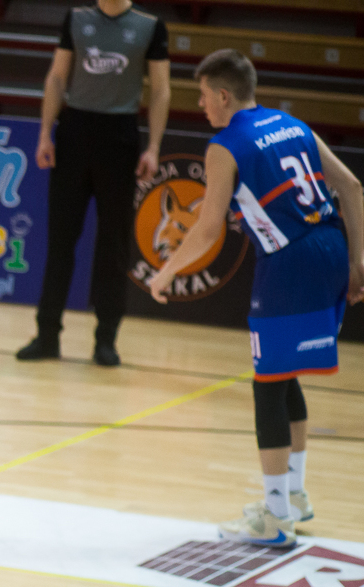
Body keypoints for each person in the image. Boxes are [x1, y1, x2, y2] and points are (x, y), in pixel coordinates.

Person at [148, 50, 363, 546]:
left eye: (203, 95)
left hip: (290, 262)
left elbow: (207, 231)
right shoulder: (292, 124)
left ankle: (274, 518)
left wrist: (165, 274)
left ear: (224, 96)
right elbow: (351, 186)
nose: (201, 105)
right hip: (330, 249)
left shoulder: (225, 145)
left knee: (266, 386)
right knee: (283, 374)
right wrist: (357, 262)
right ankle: (294, 495)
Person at [19, 0, 170, 367]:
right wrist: (45, 133)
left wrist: (153, 147)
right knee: (60, 240)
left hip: (119, 136)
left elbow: (161, 89)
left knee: (113, 245)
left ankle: (106, 339)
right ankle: (47, 335)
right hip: (74, 133)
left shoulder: (150, 26)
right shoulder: (76, 18)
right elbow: (57, 77)